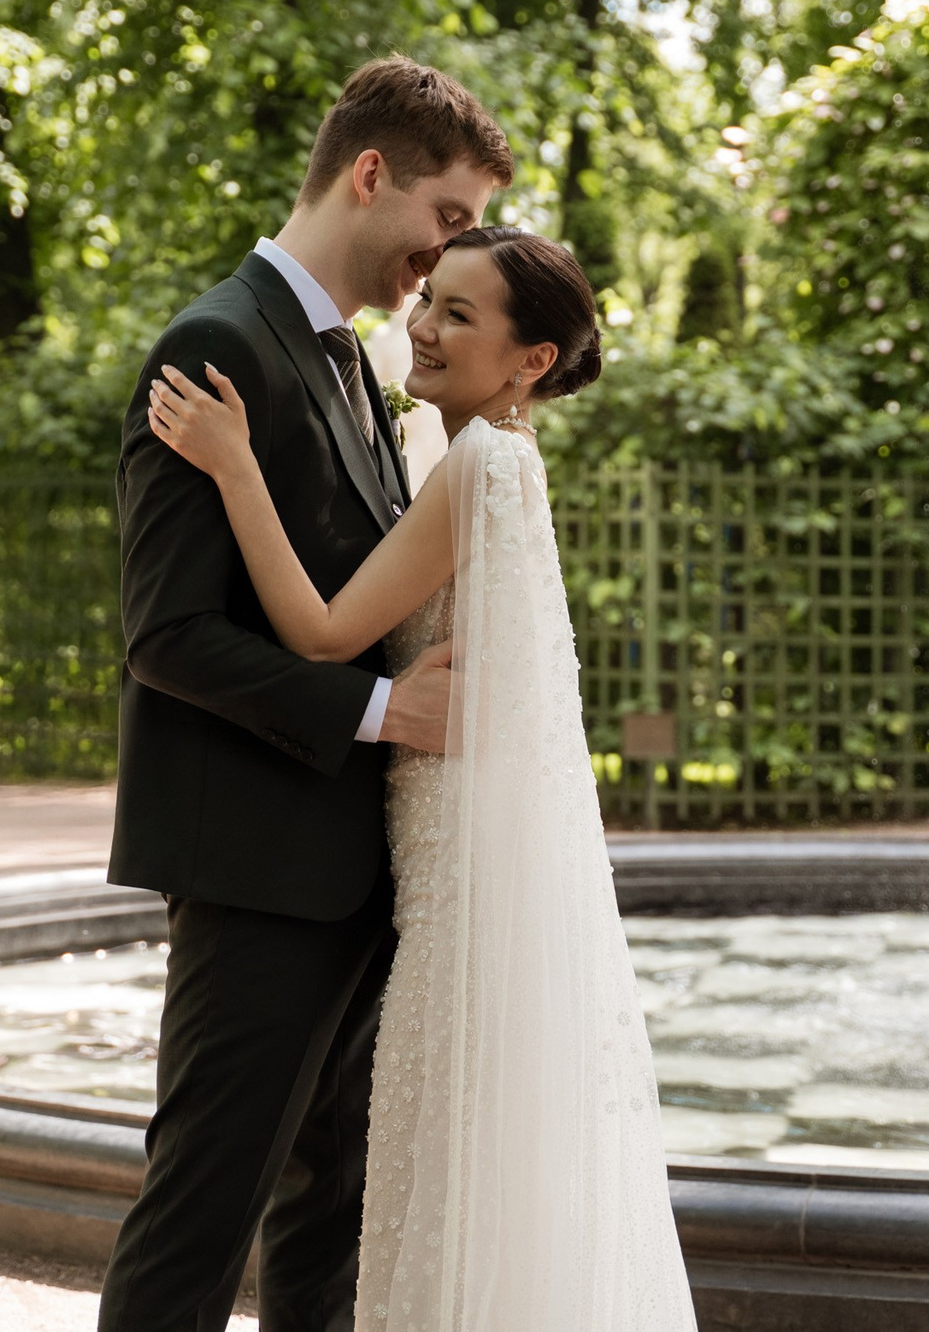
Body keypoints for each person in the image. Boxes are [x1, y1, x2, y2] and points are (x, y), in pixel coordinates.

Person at [147, 227, 696, 1332]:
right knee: (430, 1168)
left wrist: (235, 462)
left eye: (458, 314)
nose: (421, 326)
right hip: (440, 850)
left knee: (428, 1163)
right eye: (428, 299)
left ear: (529, 359)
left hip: (446, 867)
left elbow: (318, 629)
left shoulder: (481, 464)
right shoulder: (484, 459)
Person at [100, 56, 505, 1332]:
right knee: (199, 1222)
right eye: (446, 217)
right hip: (258, 867)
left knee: (328, 1221)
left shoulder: (351, 359)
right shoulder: (219, 343)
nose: (447, 256)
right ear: (370, 172)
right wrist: (386, 717)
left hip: (355, 865)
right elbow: (167, 635)